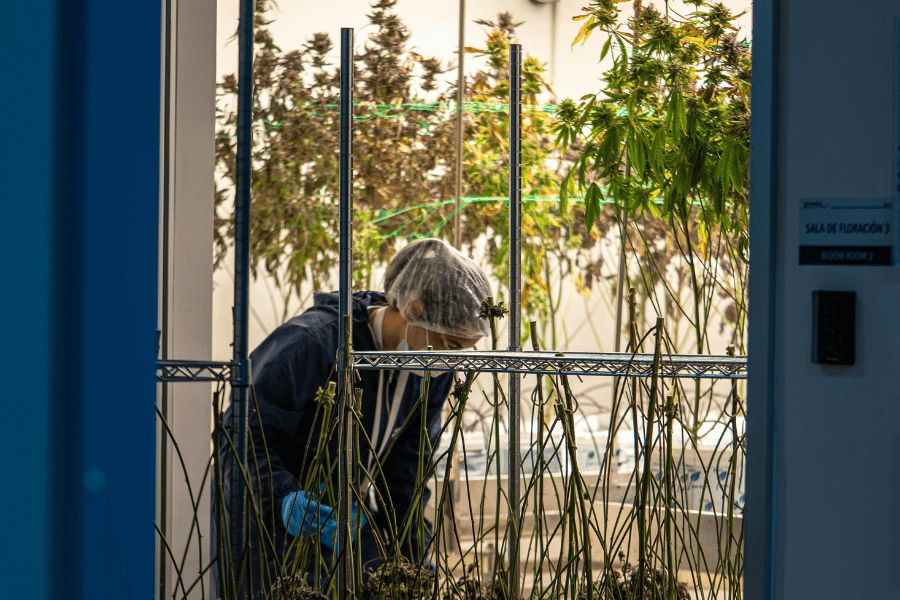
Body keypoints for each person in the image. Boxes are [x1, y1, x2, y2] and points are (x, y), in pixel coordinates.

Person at [213, 238, 491, 598]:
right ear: (414, 309)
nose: (451, 364)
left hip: (345, 524)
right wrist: (283, 498)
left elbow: (408, 469)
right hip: (271, 530)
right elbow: (241, 434)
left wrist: (412, 564)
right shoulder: (315, 343)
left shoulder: (426, 371)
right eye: (451, 346)